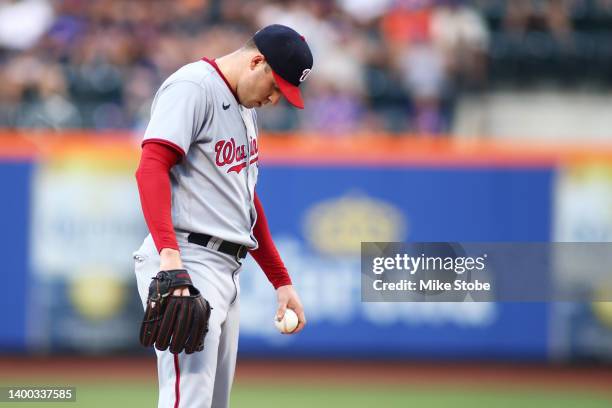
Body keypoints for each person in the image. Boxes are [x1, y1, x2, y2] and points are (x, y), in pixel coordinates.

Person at [133, 24, 313, 408]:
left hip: (225, 268)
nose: (275, 99)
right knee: (189, 401)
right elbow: (151, 167)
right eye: (276, 86)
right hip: (187, 260)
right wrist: (170, 262)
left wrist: (281, 281)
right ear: (256, 61)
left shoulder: (246, 110)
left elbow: (245, 201)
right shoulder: (194, 87)